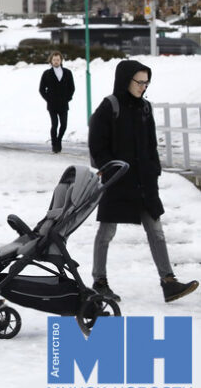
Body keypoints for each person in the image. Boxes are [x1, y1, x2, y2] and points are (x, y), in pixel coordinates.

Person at [88, 59, 198, 303]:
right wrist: (111, 169)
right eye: (139, 82)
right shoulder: (109, 107)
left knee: (156, 230)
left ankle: (168, 282)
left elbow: (151, 145)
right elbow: (97, 144)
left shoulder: (145, 108)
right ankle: (99, 281)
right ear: (126, 80)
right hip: (117, 181)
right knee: (106, 231)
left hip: (144, 183)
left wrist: (153, 171)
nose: (143, 87)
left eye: (146, 82)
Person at [39, 51, 75, 153]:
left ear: (61, 60)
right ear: (51, 61)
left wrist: (68, 98)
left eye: (58, 60)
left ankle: (58, 140)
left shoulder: (67, 73)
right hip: (52, 105)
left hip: (64, 104)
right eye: (54, 60)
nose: (56, 62)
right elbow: (41, 89)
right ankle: (54, 144)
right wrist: (48, 99)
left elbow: (72, 88)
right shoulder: (47, 74)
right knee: (54, 124)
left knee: (63, 125)